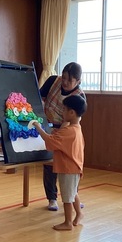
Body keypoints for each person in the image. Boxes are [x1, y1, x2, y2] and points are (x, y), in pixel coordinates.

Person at [32, 94, 87, 230]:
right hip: (74, 167)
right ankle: (79, 213)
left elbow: (50, 141)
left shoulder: (69, 131)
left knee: (67, 197)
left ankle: (68, 222)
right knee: (72, 192)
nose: (62, 112)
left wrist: (38, 127)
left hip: (68, 169)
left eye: (64, 110)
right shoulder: (76, 128)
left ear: (71, 112)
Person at [40, 62, 85, 211]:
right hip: (47, 124)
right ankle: (52, 198)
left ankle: (72, 197)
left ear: (78, 81)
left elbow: (72, 121)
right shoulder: (53, 80)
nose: (65, 82)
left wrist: (59, 135)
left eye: (69, 80)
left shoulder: (79, 96)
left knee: (70, 167)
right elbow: (38, 97)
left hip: (66, 132)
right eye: (64, 77)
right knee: (49, 164)